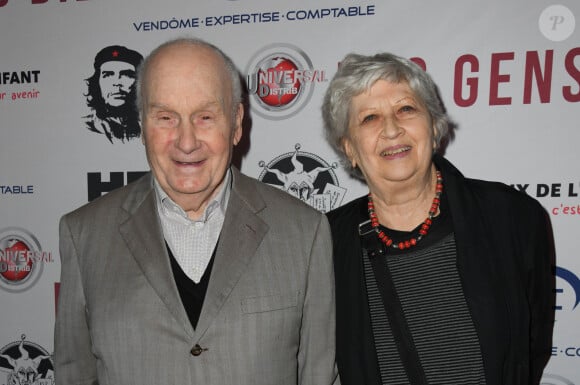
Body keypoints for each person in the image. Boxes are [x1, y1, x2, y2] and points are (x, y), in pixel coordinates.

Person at [56, 37, 339, 385]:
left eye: (205, 116)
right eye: (165, 117)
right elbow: (73, 375)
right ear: (142, 124)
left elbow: (320, 375)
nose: (186, 142)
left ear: (236, 123)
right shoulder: (83, 234)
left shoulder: (304, 231)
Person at [322, 52, 555, 385]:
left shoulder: (512, 217)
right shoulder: (325, 241)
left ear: (433, 126)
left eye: (406, 109)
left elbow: (531, 345)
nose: (391, 129)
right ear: (349, 149)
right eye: (369, 118)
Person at [82, 45, 143, 143]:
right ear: (97, 82)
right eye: (108, 75)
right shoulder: (87, 125)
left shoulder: (149, 127)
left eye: (127, 75)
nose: (117, 82)